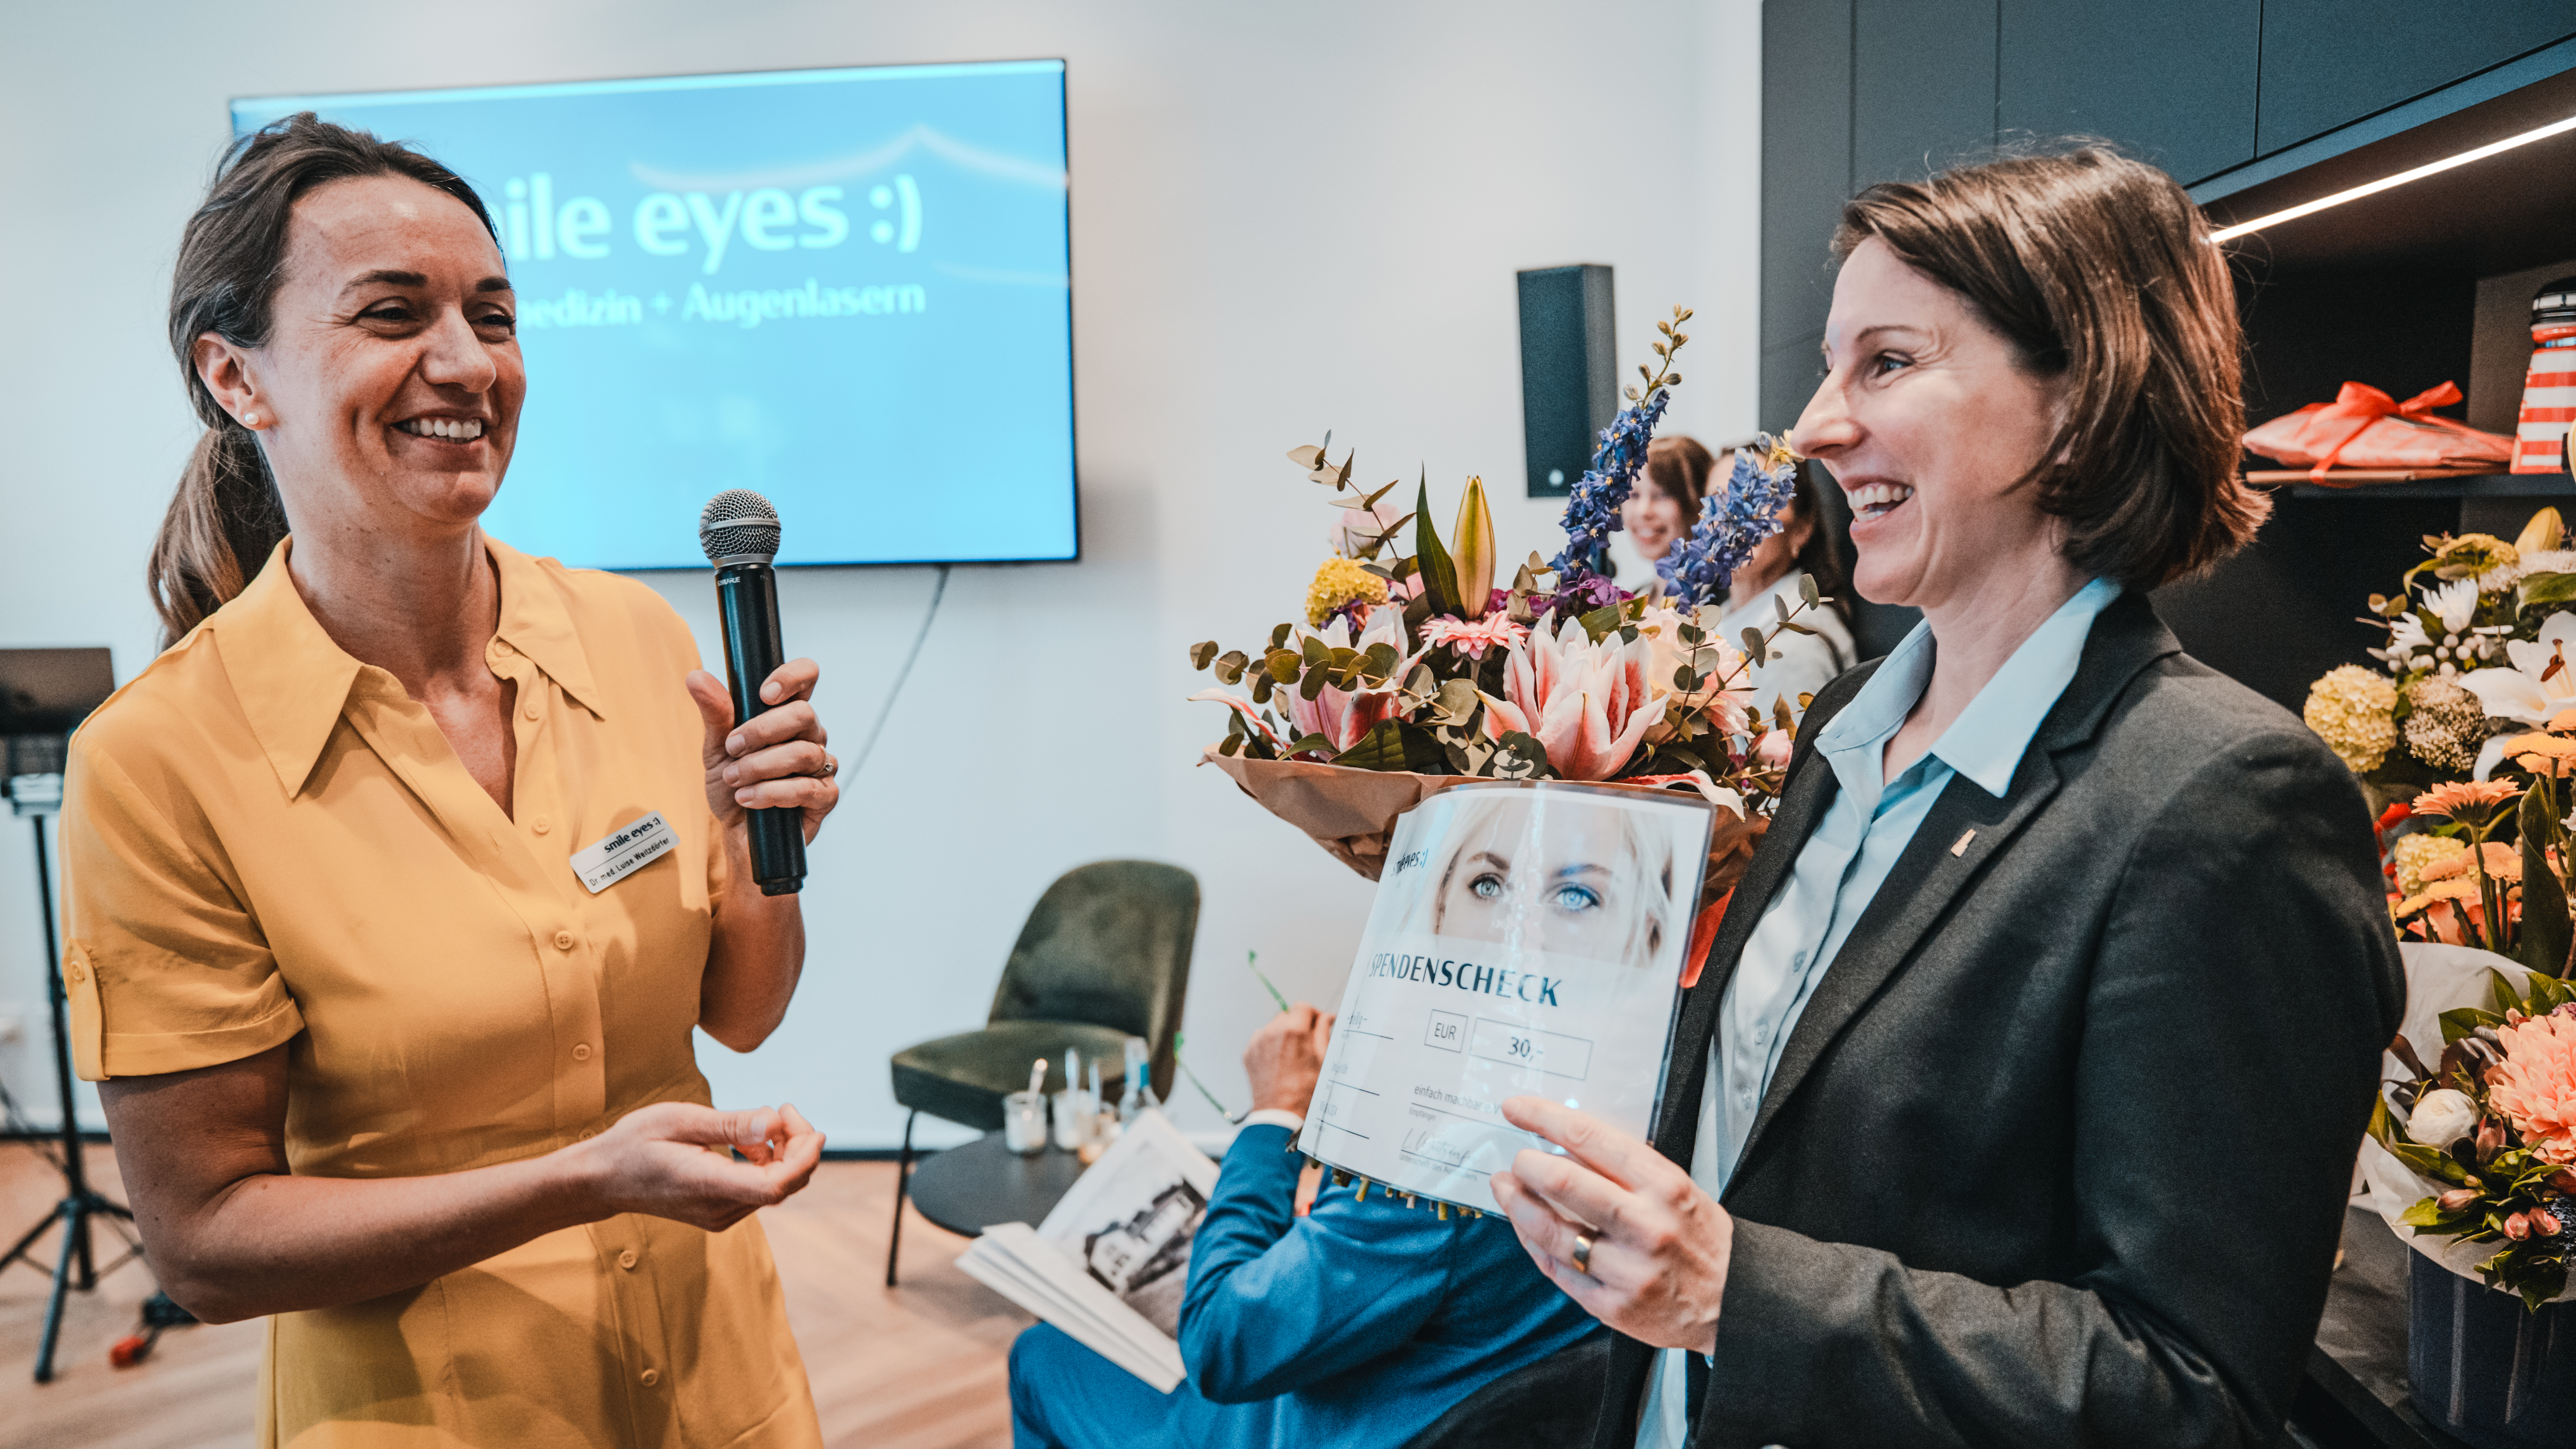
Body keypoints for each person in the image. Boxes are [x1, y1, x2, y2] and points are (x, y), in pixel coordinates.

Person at [1487, 146, 2405, 1447]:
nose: (1809, 426)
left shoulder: (2224, 803)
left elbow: (2186, 1388)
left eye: (1886, 362)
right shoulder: (1840, 732)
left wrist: (1733, 1295)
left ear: (2079, 396)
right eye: (1829, 364)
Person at [65, 115, 836, 1447]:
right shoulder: (159, 760)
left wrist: (753, 841)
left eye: (494, 313)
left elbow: (746, 1016)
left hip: (725, 1394)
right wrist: (582, 1182)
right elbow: (207, 1244)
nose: (469, 363)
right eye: (391, 313)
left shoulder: (637, 639)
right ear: (237, 378)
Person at [1007, 1003, 1604, 1448]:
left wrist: (1276, 1110)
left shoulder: (1437, 1180)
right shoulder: (1607, 1107)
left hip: (1294, 1423)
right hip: (1456, 1390)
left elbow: (1219, 1343)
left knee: (1040, 1357)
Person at [1713, 460, 1857, 714]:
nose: (1735, 514)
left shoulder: (1795, 649)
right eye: (1722, 499)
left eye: (1758, 498)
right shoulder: (1721, 618)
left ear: (1802, 530)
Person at [1606, 436, 1717, 588]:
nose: (1643, 511)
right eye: (1634, 495)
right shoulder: (1637, 599)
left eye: (1663, 495)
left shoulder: (1724, 605)